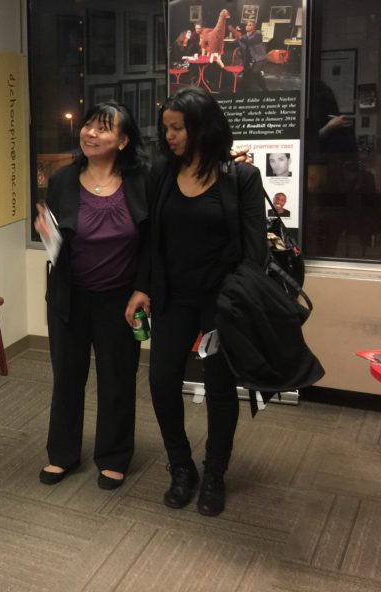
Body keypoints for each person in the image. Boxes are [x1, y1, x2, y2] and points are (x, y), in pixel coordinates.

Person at [134, 86, 267, 517]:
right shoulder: (161, 174)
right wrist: (142, 287)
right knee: (161, 382)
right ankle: (181, 466)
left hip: (219, 303)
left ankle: (214, 473)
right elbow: (150, 240)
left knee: (219, 388)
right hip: (174, 298)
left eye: (178, 128)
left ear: (201, 127)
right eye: (166, 128)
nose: (169, 136)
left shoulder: (239, 177)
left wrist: (236, 302)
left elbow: (254, 252)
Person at [34, 102, 150, 491]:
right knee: (67, 376)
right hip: (71, 296)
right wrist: (48, 236)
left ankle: (114, 457)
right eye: (88, 126)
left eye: (103, 128)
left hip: (121, 299)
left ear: (123, 139)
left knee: (117, 378)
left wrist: (144, 288)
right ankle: (62, 454)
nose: (91, 133)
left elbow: (153, 243)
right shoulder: (64, 180)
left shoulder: (141, 180)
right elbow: (56, 238)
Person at [234, 20, 268, 91]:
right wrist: (237, 36)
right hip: (250, 59)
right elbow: (239, 43)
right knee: (247, 72)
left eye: (250, 25)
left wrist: (239, 37)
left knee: (255, 72)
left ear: (254, 27)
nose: (247, 26)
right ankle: (244, 88)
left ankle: (264, 89)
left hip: (259, 58)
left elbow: (250, 42)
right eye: (247, 25)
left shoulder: (257, 34)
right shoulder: (244, 36)